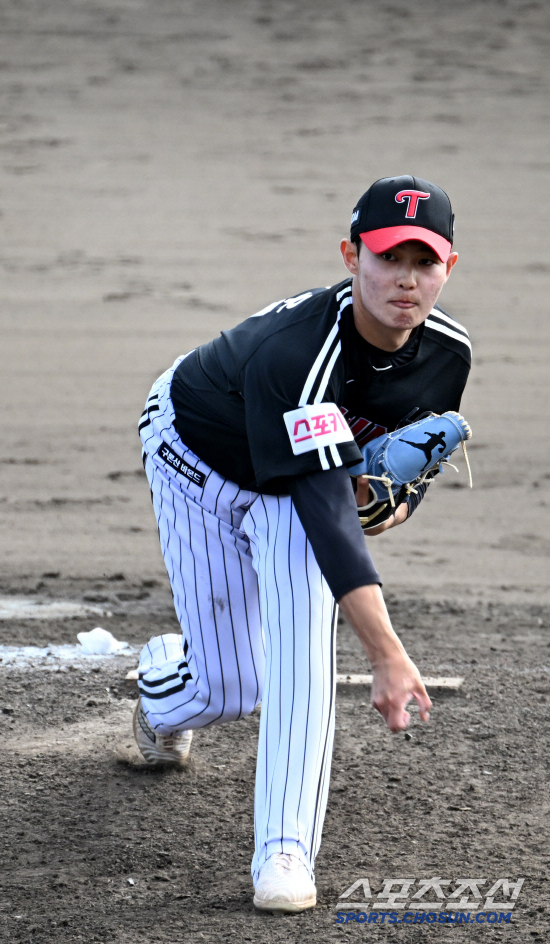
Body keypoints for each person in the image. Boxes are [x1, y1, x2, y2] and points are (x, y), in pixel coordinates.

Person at [133, 176, 471, 913]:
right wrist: (386, 654)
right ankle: (160, 684)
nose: (406, 280)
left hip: (290, 486)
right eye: (388, 257)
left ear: (449, 268)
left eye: (425, 261)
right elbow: (325, 509)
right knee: (229, 687)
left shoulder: (448, 354)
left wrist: (392, 503)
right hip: (197, 461)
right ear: (352, 256)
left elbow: (389, 483)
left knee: (301, 646)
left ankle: (285, 849)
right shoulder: (300, 355)